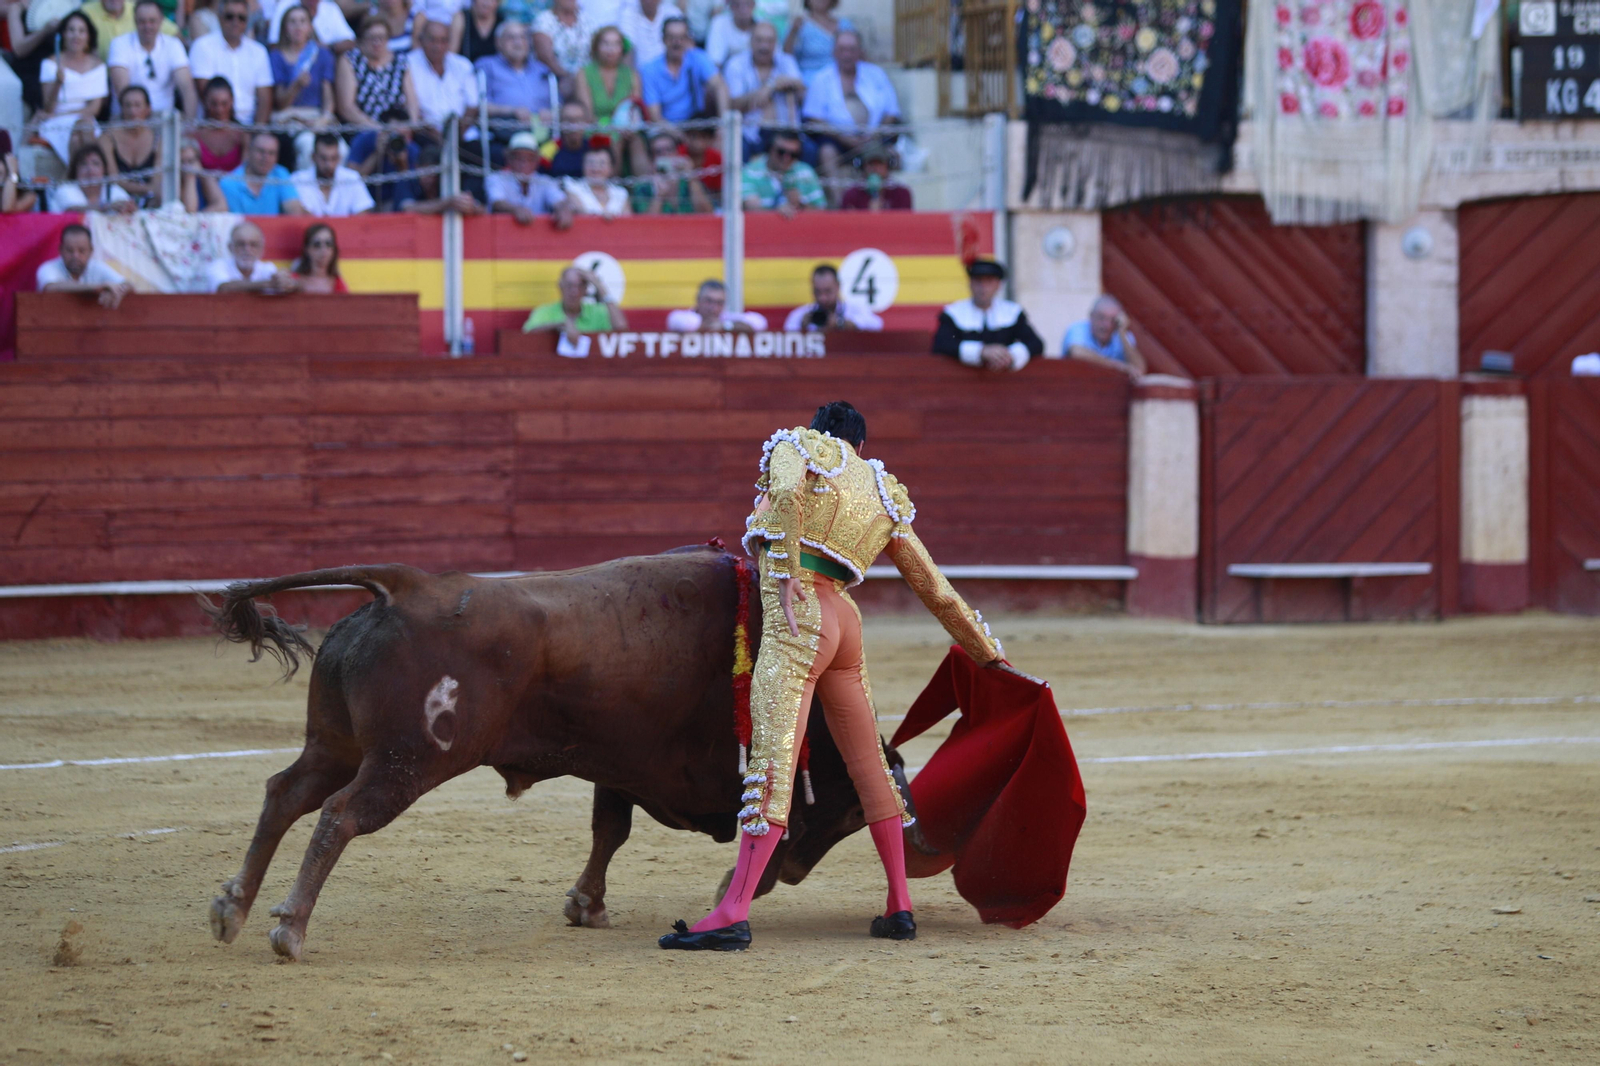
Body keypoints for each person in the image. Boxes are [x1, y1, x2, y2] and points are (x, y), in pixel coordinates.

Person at [657, 401, 1009, 951]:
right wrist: (987, 652)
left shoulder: (797, 446)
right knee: (871, 764)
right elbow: (935, 588)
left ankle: (732, 911)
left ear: (822, 434)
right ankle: (899, 906)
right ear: (861, 447)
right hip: (846, 621)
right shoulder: (882, 489)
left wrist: (791, 572)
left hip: (800, 619)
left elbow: (790, 495)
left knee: (771, 766)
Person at [802, 30, 901, 194]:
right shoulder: (821, 78)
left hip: (874, 138)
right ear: (834, 52)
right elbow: (813, 118)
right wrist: (845, 138)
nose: (846, 54)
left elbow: (892, 112)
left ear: (860, 52)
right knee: (826, 152)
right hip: (838, 140)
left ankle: (881, 205)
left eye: (852, 49)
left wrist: (874, 136)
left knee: (892, 155)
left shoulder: (876, 74)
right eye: (842, 49)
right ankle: (840, 205)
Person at [932, 259, 1045, 373]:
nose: (983, 287)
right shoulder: (953, 313)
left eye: (989, 281)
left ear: (998, 285)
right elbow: (941, 344)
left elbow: (1036, 344)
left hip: (1004, 380)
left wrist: (1009, 355)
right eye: (978, 281)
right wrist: (981, 352)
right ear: (970, 283)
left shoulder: (1011, 312)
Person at [270, 4, 339, 170]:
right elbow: (280, 102)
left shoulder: (322, 55)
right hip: (289, 119)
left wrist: (324, 119)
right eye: (292, 22)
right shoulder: (276, 56)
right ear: (285, 28)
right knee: (308, 147)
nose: (298, 26)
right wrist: (296, 86)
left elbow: (328, 97)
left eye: (302, 21)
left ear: (310, 27)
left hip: (316, 118)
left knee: (341, 149)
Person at [724, 20, 805, 158]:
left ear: (776, 44)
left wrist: (772, 86)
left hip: (786, 132)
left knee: (810, 151)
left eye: (769, 41)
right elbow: (733, 104)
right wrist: (765, 90)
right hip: (750, 133)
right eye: (759, 40)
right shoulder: (736, 64)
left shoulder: (787, 61)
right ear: (750, 41)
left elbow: (802, 91)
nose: (764, 46)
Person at [188, 0, 274, 127]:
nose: (236, 22)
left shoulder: (258, 51)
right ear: (219, 17)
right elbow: (204, 92)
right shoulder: (202, 46)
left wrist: (257, 132)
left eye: (241, 18)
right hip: (212, 125)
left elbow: (265, 99)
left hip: (249, 127)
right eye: (230, 16)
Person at [39, 12, 108, 165]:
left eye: (81, 31)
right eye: (71, 30)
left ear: (88, 36)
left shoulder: (98, 66)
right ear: (63, 34)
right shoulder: (50, 64)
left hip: (84, 118)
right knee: (80, 132)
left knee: (82, 130)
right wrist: (57, 83)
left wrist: (70, 116)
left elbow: (94, 109)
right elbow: (49, 108)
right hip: (55, 123)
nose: (76, 35)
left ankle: (76, 177)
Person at [107, 0, 196, 117]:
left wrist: (189, 125)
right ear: (135, 21)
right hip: (128, 119)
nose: (147, 26)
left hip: (164, 119)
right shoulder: (119, 44)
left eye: (152, 21)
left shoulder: (173, 45)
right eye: (142, 21)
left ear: (161, 21)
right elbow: (124, 92)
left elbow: (187, 88)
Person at [474, 21, 553, 142]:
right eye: (511, 37)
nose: (518, 42)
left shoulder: (542, 70)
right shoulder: (486, 66)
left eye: (523, 37)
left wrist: (550, 112)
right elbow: (478, 106)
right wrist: (512, 111)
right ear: (498, 42)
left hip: (544, 133)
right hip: (504, 133)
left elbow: (559, 105)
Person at [640, 16, 726, 125]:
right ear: (663, 39)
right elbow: (655, 116)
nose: (677, 42)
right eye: (671, 37)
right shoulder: (649, 70)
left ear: (688, 39)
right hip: (666, 129)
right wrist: (680, 135)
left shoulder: (698, 58)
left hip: (696, 125)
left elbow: (720, 86)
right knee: (663, 143)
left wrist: (723, 124)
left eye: (681, 37)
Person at [337, 15, 420, 128]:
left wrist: (411, 126)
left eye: (382, 37)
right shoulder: (350, 60)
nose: (377, 42)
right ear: (362, 39)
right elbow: (346, 108)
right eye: (372, 38)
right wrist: (376, 128)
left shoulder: (400, 62)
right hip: (363, 128)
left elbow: (412, 101)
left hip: (398, 127)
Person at [36, 223, 132, 308]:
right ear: (60, 250)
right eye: (69, 250)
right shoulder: (48, 268)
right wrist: (97, 288)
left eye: (81, 251)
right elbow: (51, 288)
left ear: (91, 251)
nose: (75, 256)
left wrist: (115, 291)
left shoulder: (97, 267)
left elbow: (128, 285)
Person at [408, 20, 479, 131]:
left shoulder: (463, 65)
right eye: (432, 40)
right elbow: (409, 107)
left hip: (463, 134)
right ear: (421, 40)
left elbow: (473, 105)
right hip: (424, 135)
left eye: (443, 41)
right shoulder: (408, 64)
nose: (438, 46)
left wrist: (456, 135)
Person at [488, 129, 571, 224]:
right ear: (509, 159)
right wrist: (516, 210)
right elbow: (497, 203)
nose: (524, 163)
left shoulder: (545, 181)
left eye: (530, 158)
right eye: (518, 158)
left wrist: (562, 210)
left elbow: (558, 200)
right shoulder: (496, 178)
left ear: (537, 161)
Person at [522, 265, 626, 338]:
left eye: (580, 286)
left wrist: (599, 285)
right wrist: (559, 325)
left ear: (586, 290)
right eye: (569, 285)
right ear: (561, 286)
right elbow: (526, 336)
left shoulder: (597, 312)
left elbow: (621, 330)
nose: (574, 292)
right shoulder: (544, 312)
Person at [740, 127, 824, 216]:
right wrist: (777, 212)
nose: (786, 158)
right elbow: (752, 209)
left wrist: (800, 205)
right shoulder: (750, 172)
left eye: (793, 154)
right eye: (781, 152)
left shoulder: (806, 171)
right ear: (770, 149)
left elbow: (821, 212)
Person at [219, 131, 306, 215]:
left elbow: (294, 211)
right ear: (249, 151)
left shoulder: (280, 173)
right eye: (261, 151)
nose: (266, 158)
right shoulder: (229, 183)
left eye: (271, 153)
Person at [100, 85, 160, 205]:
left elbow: (158, 182)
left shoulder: (158, 139)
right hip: (116, 199)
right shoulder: (107, 138)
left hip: (151, 200)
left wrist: (151, 191)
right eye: (127, 105)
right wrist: (147, 189)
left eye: (137, 105)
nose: (132, 112)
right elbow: (113, 180)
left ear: (148, 109)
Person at [1061, 294, 1147, 376]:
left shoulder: (1122, 335)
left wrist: (1122, 333)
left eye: (1113, 320)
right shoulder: (1078, 329)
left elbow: (1139, 369)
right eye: (1101, 317)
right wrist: (1118, 366)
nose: (1106, 325)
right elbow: (1077, 353)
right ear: (1091, 316)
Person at [292, 131, 375, 215]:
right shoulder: (298, 180)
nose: (329, 165)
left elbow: (363, 212)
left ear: (339, 158)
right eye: (324, 158)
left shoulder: (352, 178)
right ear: (313, 157)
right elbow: (297, 214)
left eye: (333, 158)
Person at [631, 127, 711, 214]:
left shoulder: (689, 182)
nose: (665, 154)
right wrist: (659, 197)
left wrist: (691, 177)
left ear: (677, 153)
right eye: (659, 152)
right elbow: (644, 225)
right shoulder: (643, 187)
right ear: (651, 160)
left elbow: (707, 213)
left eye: (669, 149)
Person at [783, 263, 881, 331]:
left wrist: (841, 324)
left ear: (838, 286)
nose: (823, 298)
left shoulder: (854, 310)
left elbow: (877, 324)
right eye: (818, 292)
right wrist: (803, 329)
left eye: (828, 291)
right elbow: (786, 337)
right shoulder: (800, 315)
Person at [531, 0, 599, 98]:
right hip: (558, 77)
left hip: (588, 77)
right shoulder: (544, 20)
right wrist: (568, 77)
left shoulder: (587, 20)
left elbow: (598, 50)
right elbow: (546, 57)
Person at [208, 220, 299, 293]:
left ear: (262, 249)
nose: (247, 250)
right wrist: (268, 284)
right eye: (240, 244)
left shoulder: (267, 268)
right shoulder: (217, 266)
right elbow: (223, 288)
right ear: (230, 247)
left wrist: (285, 281)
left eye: (253, 244)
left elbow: (280, 285)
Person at [573, 24, 636, 129]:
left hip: (627, 131)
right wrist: (610, 128)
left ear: (622, 48)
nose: (610, 49)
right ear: (596, 47)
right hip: (595, 129)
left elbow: (634, 110)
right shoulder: (584, 74)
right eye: (605, 44)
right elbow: (587, 114)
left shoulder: (632, 75)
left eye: (616, 44)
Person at [51, 142, 137, 212]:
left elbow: (129, 209)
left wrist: (129, 208)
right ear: (75, 170)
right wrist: (107, 207)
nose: (90, 169)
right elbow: (72, 211)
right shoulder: (66, 189)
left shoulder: (114, 190)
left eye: (96, 164)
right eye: (83, 164)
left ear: (104, 170)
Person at [82, 0, 176, 62]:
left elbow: (173, 32)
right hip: (99, 75)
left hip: (132, 74)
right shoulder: (86, 12)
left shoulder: (138, 10)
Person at [665, 278, 767, 333]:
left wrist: (725, 326)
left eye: (719, 303)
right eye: (708, 301)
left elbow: (759, 322)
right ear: (698, 299)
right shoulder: (679, 317)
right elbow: (689, 324)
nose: (713, 307)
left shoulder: (727, 319)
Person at [783, 0, 851, 80]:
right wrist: (793, 32)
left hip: (841, 81)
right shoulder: (800, 25)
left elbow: (858, 55)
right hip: (809, 82)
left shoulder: (845, 25)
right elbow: (787, 57)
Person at [194, 77, 248, 175]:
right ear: (205, 101)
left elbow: (245, 175)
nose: (219, 110)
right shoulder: (194, 135)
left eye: (224, 103)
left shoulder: (243, 136)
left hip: (234, 188)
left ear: (232, 102)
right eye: (214, 104)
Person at [561, 145, 629, 218]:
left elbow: (629, 221)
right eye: (591, 163)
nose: (596, 169)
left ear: (611, 168)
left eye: (602, 163)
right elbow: (580, 212)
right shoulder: (572, 187)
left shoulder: (620, 193)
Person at [265, 0, 354, 54]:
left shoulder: (330, 8)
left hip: (326, 61)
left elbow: (350, 41)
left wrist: (327, 49)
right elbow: (274, 44)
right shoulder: (284, 5)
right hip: (291, 62)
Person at [839, 144, 911, 210]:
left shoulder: (902, 193)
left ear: (888, 166)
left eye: (879, 163)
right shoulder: (851, 194)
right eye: (871, 164)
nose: (875, 168)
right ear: (863, 167)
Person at [618, 0, 682, 68]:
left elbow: (686, 43)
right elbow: (628, 48)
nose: (649, 1)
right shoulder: (629, 13)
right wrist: (631, 76)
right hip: (639, 73)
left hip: (669, 72)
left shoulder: (673, 13)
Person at [290, 221, 347, 292]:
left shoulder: (338, 284)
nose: (323, 249)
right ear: (307, 249)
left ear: (334, 249)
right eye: (317, 244)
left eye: (328, 244)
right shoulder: (292, 281)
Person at [541, 100, 591, 179]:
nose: (573, 124)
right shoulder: (548, 150)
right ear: (560, 122)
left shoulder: (594, 148)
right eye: (568, 119)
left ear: (586, 122)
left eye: (578, 119)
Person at [704, 0, 754, 67]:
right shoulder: (719, 23)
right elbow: (714, 63)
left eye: (747, 4)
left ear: (754, 5)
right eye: (737, 5)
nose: (743, 9)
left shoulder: (763, 27)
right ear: (730, 6)